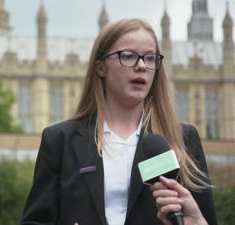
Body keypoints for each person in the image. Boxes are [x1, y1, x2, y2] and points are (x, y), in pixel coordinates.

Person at [21, 18, 217, 225]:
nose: (142, 65)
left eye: (150, 58)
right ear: (100, 68)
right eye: (128, 56)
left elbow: (204, 219)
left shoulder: (181, 140)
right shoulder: (60, 140)